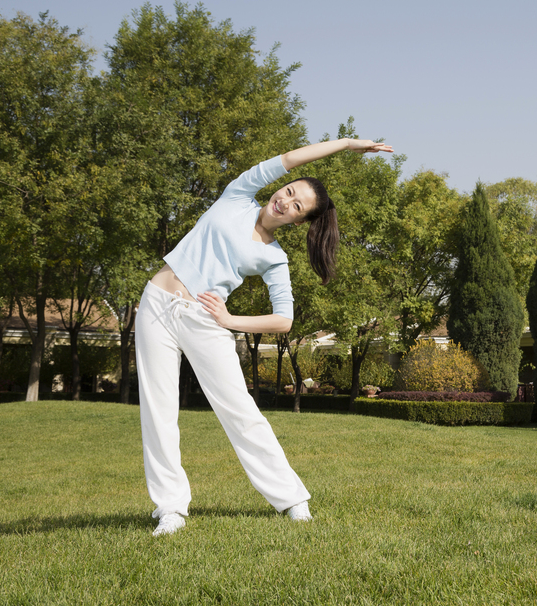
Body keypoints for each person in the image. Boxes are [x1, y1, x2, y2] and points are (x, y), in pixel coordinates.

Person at [135, 138, 393, 536]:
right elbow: (291, 158)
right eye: (289, 192)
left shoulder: (274, 257)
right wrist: (345, 145)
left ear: (299, 220)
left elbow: (283, 320)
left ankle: (292, 499)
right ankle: (170, 509)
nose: (286, 202)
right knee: (158, 411)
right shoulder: (237, 195)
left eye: (297, 206)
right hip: (155, 305)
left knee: (240, 412)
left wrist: (230, 318)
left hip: (206, 320)